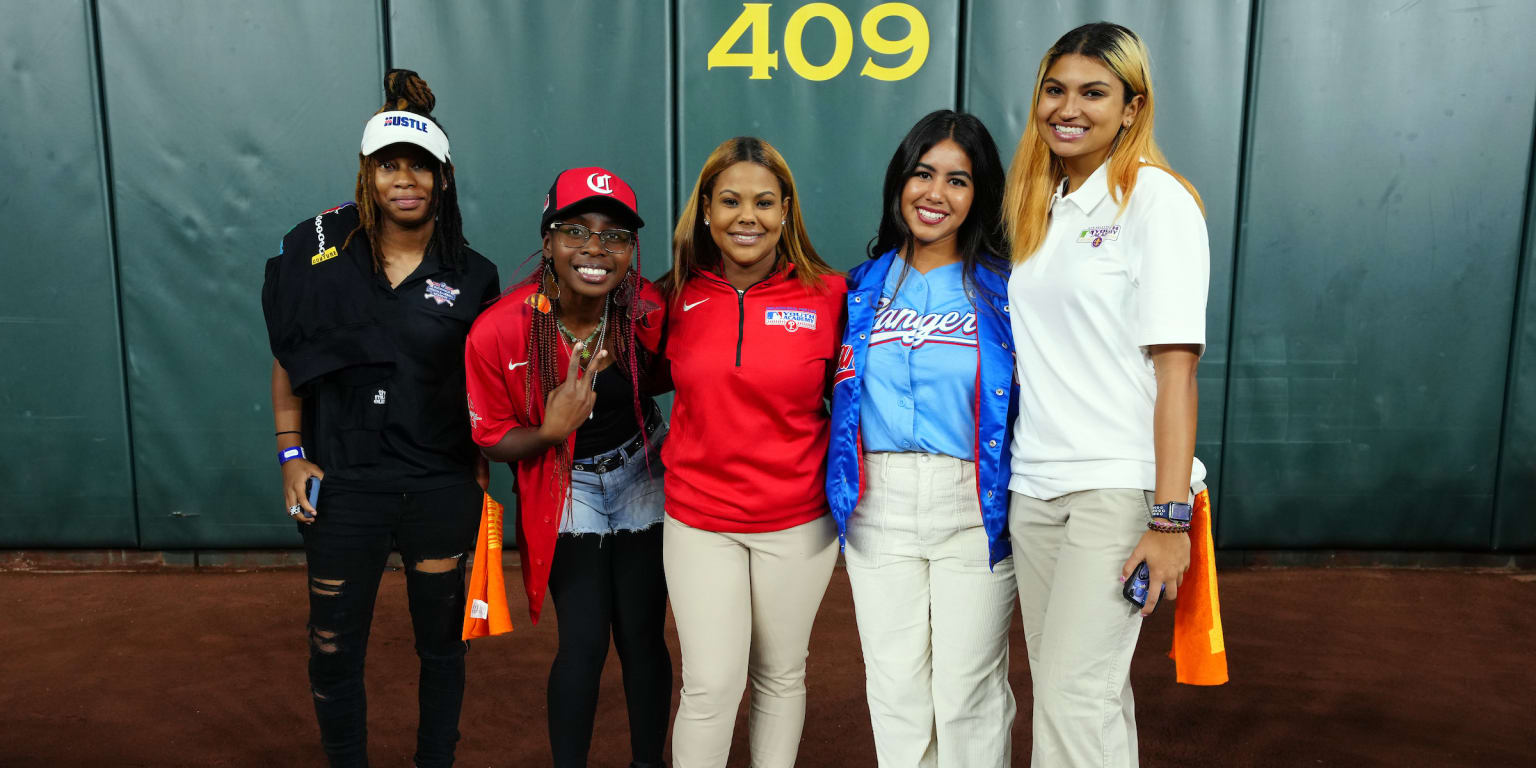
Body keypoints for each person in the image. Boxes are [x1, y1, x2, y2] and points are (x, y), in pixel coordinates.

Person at [261, 69, 500, 768]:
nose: (406, 180)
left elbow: (486, 383)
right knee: (333, 646)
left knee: (442, 648)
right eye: (390, 165)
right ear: (367, 176)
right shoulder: (320, 256)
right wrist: (289, 452)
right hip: (344, 484)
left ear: (444, 181)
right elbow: (291, 357)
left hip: (437, 486)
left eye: (421, 168)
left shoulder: (475, 275)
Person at [1001, 22, 1211, 767]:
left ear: (1132, 107)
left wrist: (1168, 517)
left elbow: (1176, 370)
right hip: (1036, 490)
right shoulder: (1041, 206)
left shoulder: (1158, 202)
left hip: (1117, 495)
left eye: (1094, 92)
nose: (1069, 107)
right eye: (1055, 90)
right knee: (1085, 698)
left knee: (1071, 699)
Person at [825, 109, 1018, 767]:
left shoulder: (1007, 291)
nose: (935, 194)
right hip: (879, 502)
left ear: (979, 194)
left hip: (974, 502)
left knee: (968, 691)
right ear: (898, 182)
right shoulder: (858, 287)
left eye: (958, 181)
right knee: (896, 688)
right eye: (922, 173)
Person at [462, 167, 671, 768]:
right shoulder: (500, 329)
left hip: (640, 473)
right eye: (576, 230)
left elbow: (679, 369)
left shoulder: (645, 309)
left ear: (631, 250)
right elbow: (494, 439)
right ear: (549, 240)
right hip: (565, 482)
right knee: (582, 643)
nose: (595, 250)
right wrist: (551, 430)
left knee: (641, 638)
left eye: (615, 236)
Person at [658, 136, 846, 768]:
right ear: (706, 210)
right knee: (710, 683)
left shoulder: (829, 297)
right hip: (698, 520)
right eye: (731, 201)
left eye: (765, 202)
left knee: (780, 675)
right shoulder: (672, 297)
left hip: (796, 521)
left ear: (786, 211)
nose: (748, 217)